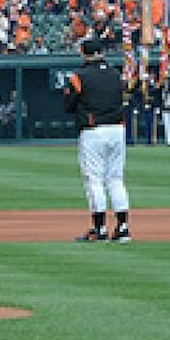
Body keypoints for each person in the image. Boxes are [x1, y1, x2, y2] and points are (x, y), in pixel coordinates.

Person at [65, 38, 130, 242]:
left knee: (94, 180)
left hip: (94, 130)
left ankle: (100, 229)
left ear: (84, 54)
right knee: (116, 179)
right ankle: (123, 228)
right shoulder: (115, 74)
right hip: (118, 129)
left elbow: (68, 105)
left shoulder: (80, 76)